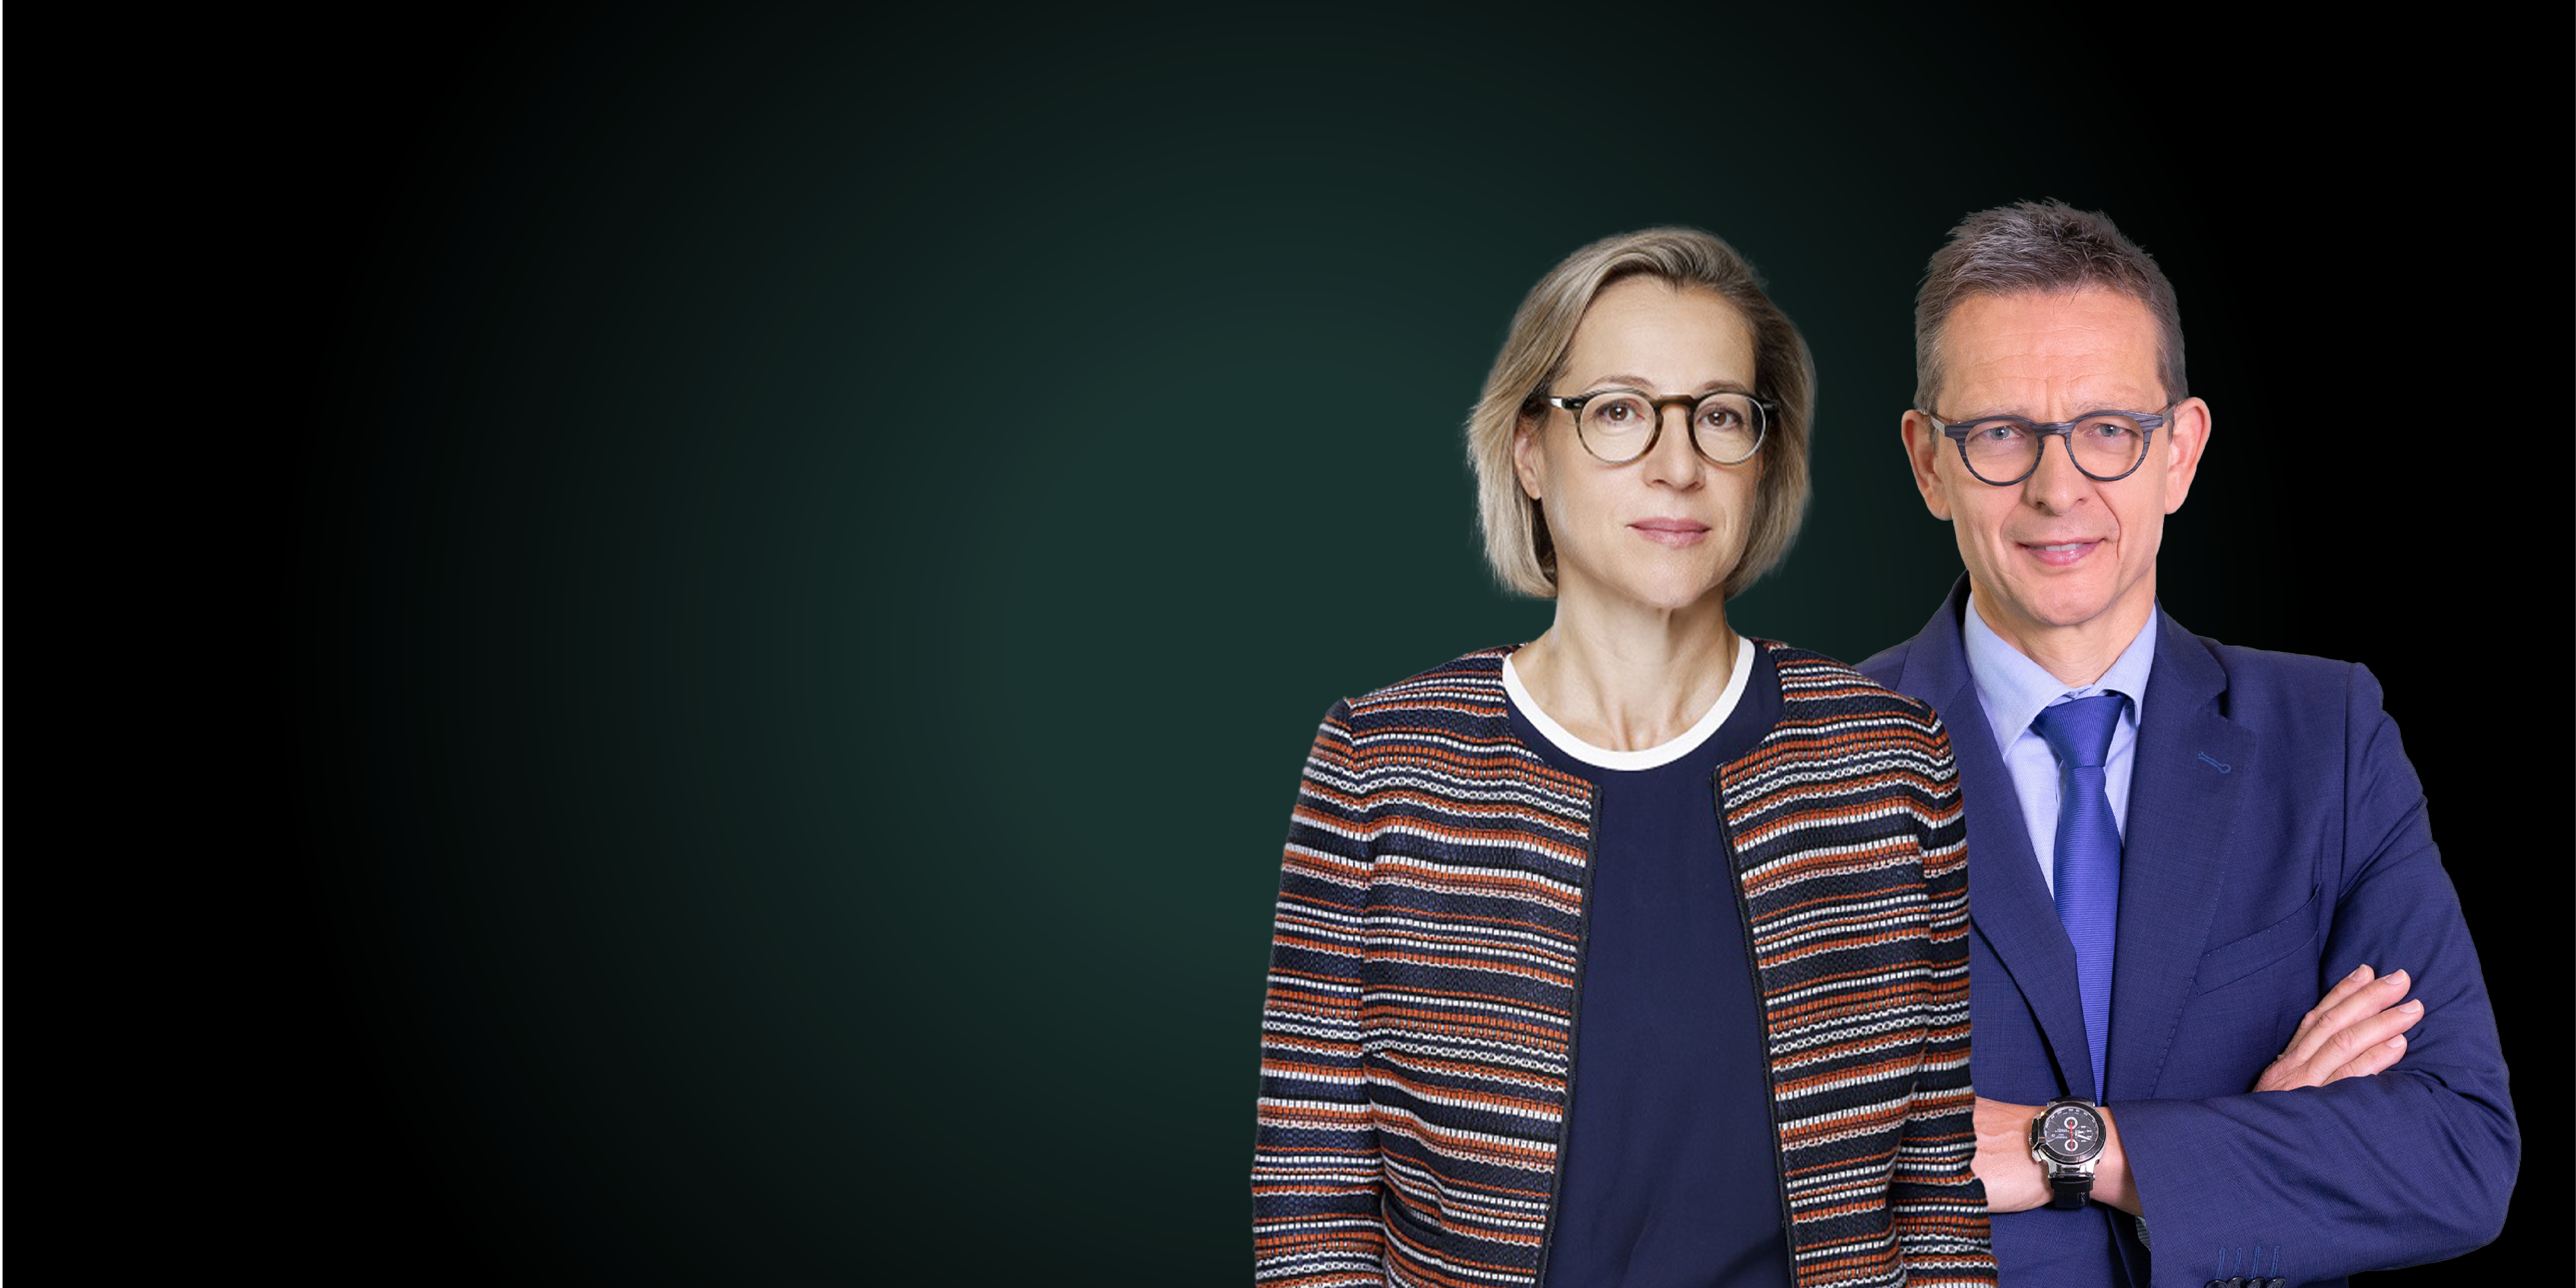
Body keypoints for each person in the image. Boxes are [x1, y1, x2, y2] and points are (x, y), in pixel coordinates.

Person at [1251, 229, 1997, 1288]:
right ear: (1526, 448)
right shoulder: (1379, 767)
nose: (1678, 462)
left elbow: (1931, 1191)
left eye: (1720, 415)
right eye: (1616, 411)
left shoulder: (1886, 760)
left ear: (1764, 457)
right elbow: (1312, 1201)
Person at [1860, 201, 2518, 1287]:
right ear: (1928, 462)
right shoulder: (1799, 759)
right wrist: (2250, 1144)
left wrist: (2074, 1151)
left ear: (2181, 452)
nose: (2056, 486)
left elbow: (2456, 1149)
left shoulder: (2330, 737)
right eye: (1999, 433)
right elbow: (1761, 1174)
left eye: (2107, 430)